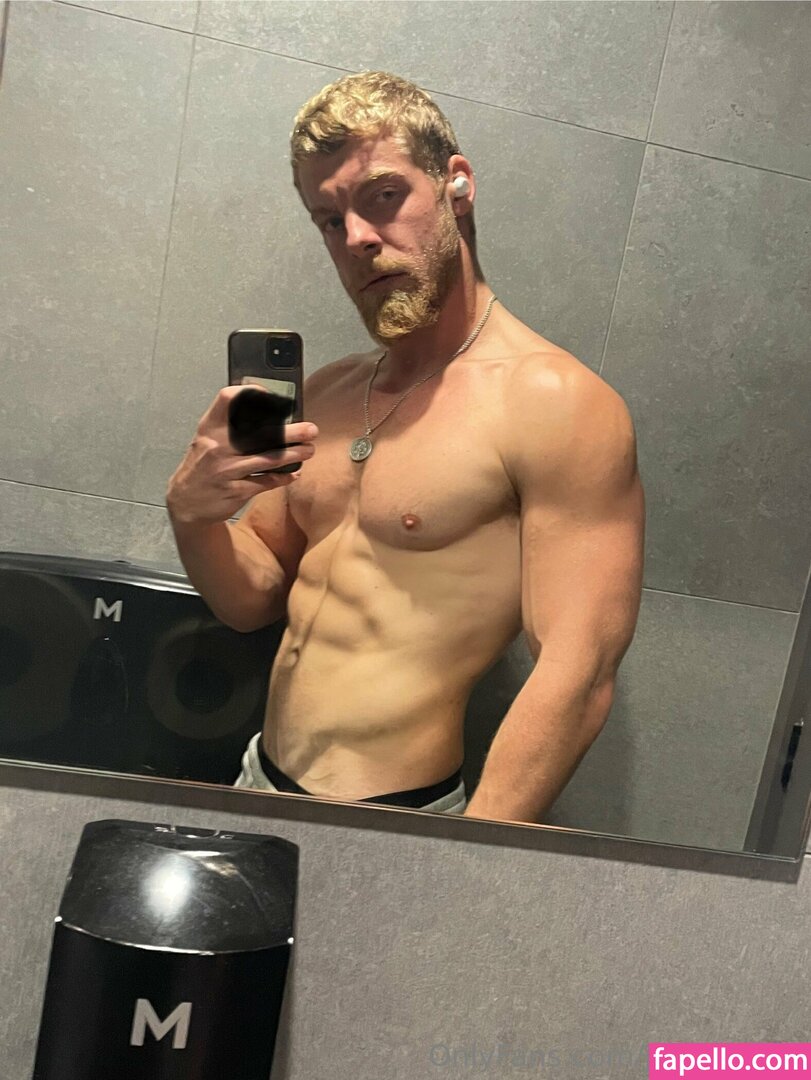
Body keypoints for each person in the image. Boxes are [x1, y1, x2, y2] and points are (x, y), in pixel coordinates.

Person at [166, 71, 645, 823]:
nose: (356, 237)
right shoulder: (327, 392)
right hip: (258, 780)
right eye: (329, 220)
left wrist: (460, 861)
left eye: (383, 196)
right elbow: (251, 601)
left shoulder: (555, 402)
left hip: (400, 819)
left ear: (457, 184)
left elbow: (578, 670)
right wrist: (192, 516)